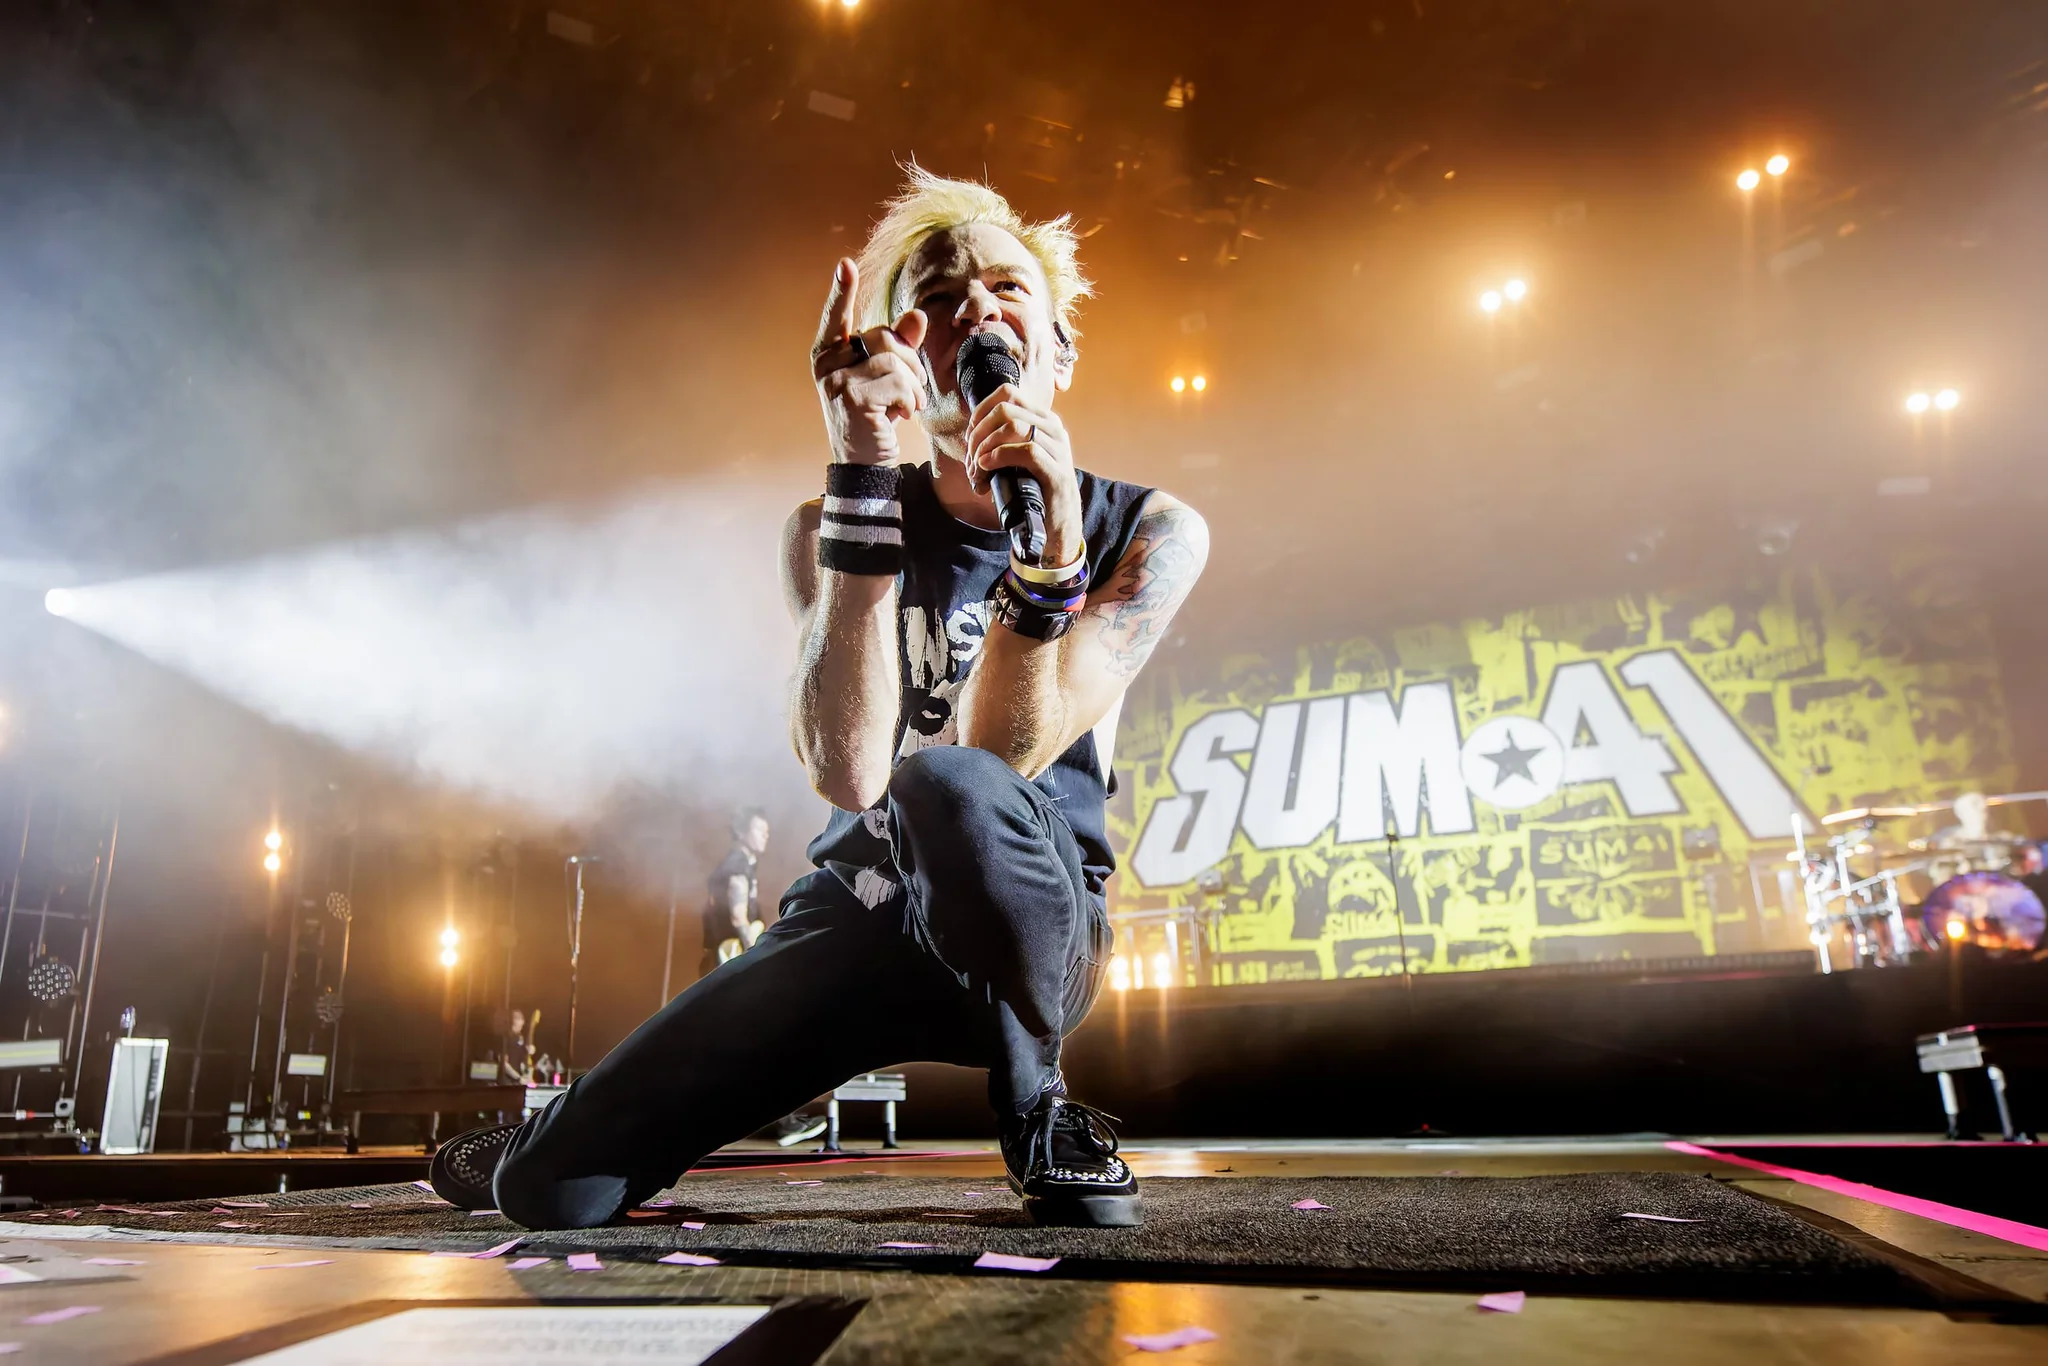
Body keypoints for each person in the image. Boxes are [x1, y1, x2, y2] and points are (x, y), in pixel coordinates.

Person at [429, 167, 1209, 1230]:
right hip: (860, 912)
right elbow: (848, 772)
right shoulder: (828, 523)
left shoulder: (1148, 531)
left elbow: (1003, 754)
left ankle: (1038, 1104)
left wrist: (1052, 555)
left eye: (1005, 289)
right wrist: (861, 467)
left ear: (1059, 350)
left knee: (950, 785)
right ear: (903, 360)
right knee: (544, 1193)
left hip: (1029, 916)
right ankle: (564, 1134)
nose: (976, 312)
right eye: (938, 299)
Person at [699, 806, 770, 978]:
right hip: (733, 956)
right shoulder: (737, 866)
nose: (765, 835)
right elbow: (738, 918)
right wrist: (755, 956)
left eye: (767, 831)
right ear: (742, 832)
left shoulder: (743, 865)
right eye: (759, 829)